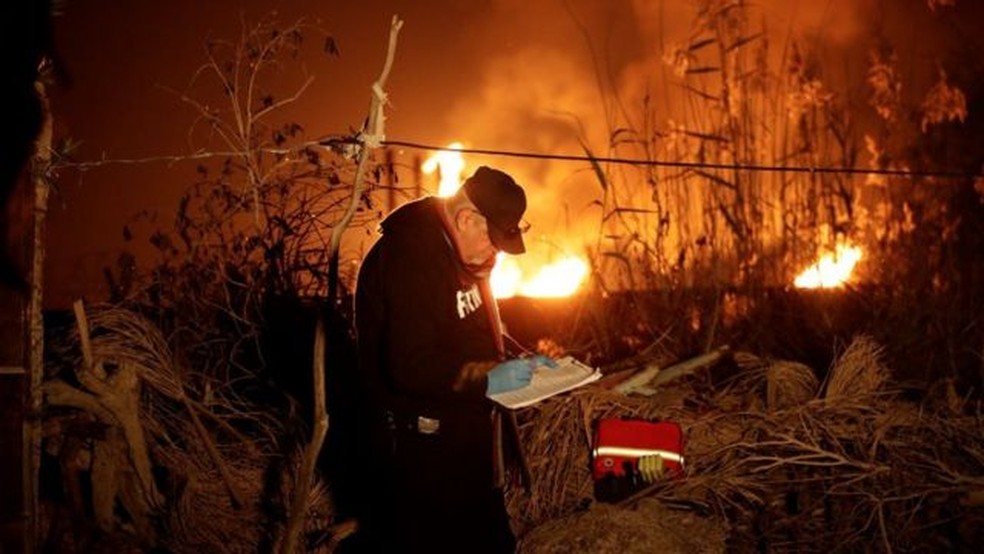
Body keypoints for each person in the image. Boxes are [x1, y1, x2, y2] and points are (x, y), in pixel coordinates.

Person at [352, 166, 554, 552]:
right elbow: (409, 365)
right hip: (422, 452)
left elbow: (469, 329)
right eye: (494, 243)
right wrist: (490, 378)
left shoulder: (459, 251)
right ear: (466, 219)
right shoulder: (411, 258)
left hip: (464, 436)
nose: (496, 255)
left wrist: (519, 358)